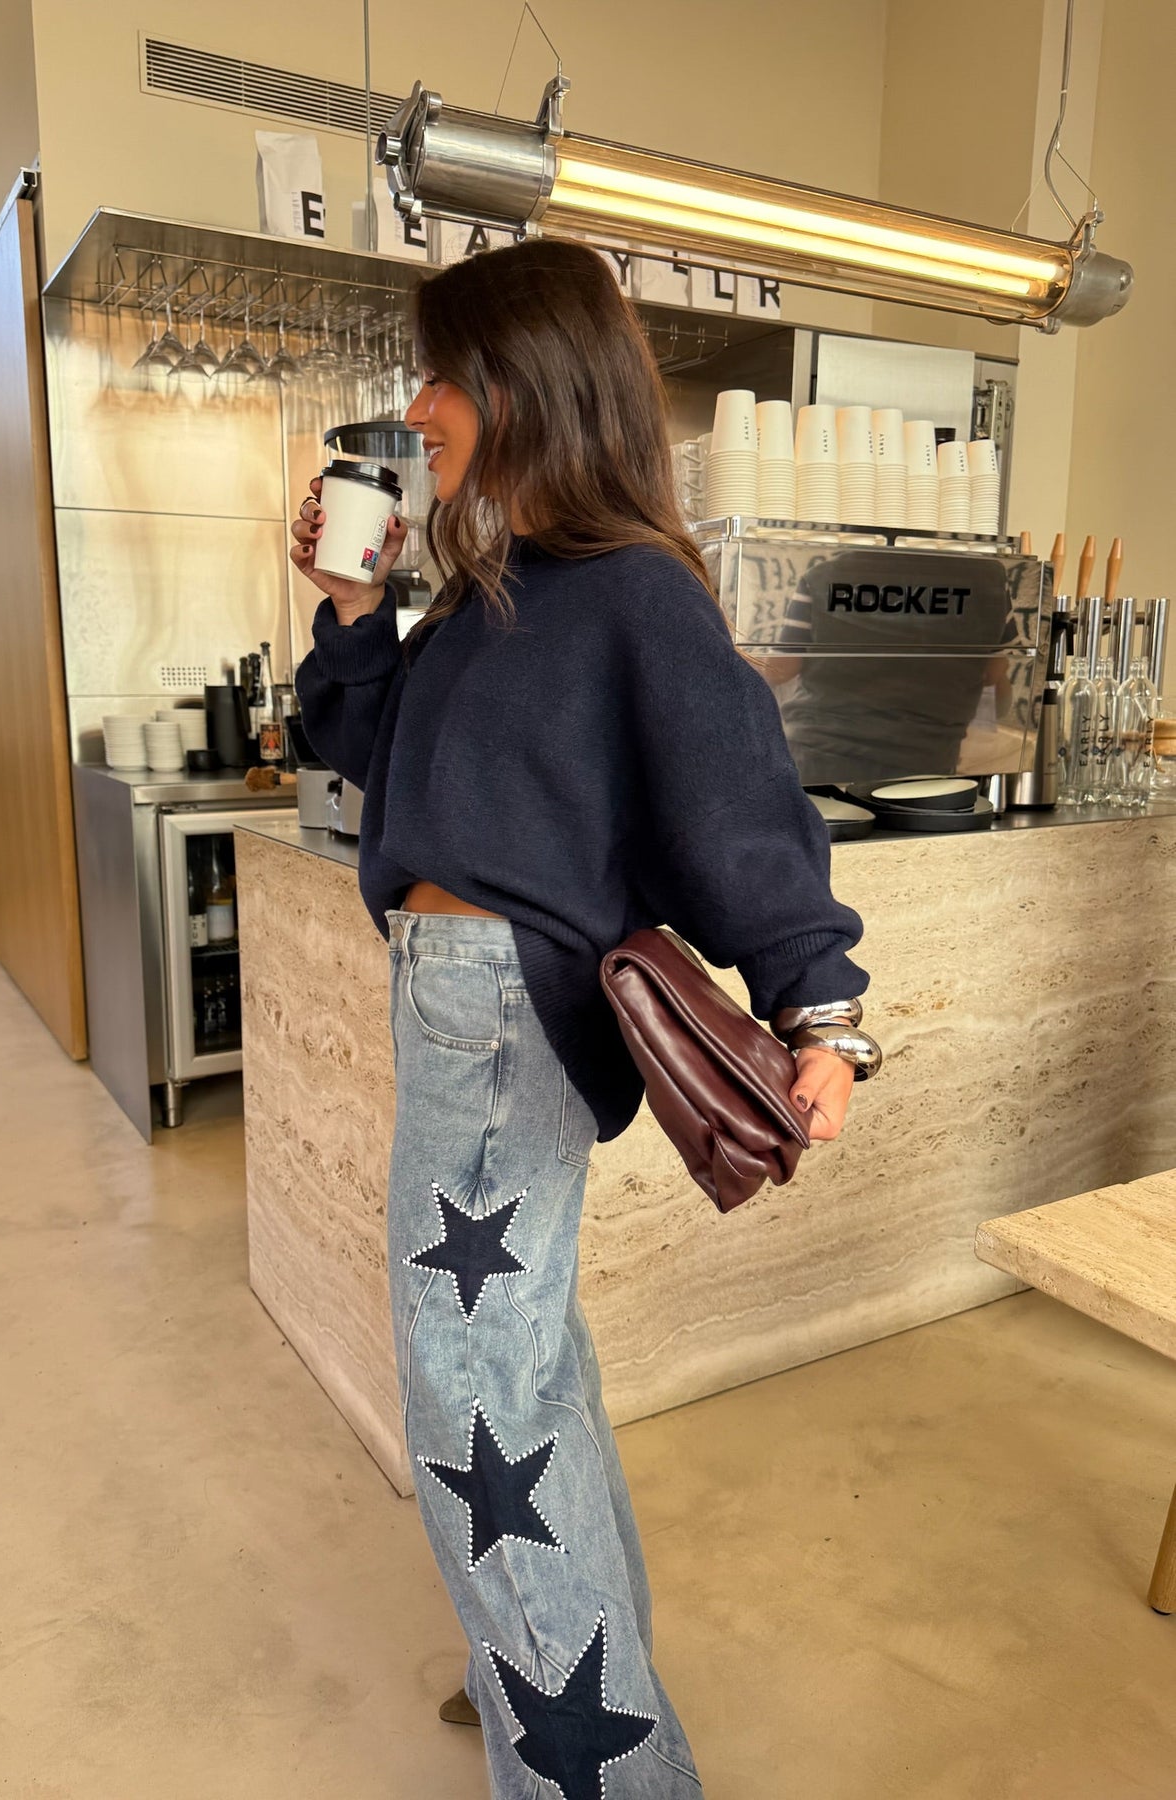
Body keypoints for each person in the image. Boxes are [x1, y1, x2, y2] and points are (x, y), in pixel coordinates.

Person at [291, 238, 876, 1800]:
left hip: (495, 1020)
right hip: (463, 1010)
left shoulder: (627, 593)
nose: (417, 406)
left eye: (441, 374)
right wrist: (354, 604)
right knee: (521, 1370)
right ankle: (561, 1685)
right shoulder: (498, 589)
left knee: (477, 1395)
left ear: (519, 383)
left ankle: (594, 1757)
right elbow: (364, 749)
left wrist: (820, 1006)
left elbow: (737, 809)